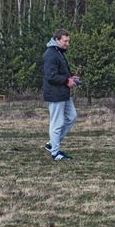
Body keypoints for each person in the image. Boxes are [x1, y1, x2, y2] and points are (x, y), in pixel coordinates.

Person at [43, 28, 80, 161]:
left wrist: (71, 78)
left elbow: (59, 72)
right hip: (55, 94)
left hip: (63, 93)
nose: (67, 44)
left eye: (68, 41)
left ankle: (52, 144)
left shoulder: (58, 52)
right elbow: (50, 76)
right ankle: (55, 153)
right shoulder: (51, 54)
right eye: (65, 41)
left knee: (72, 117)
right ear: (57, 40)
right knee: (56, 123)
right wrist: (66, 80)